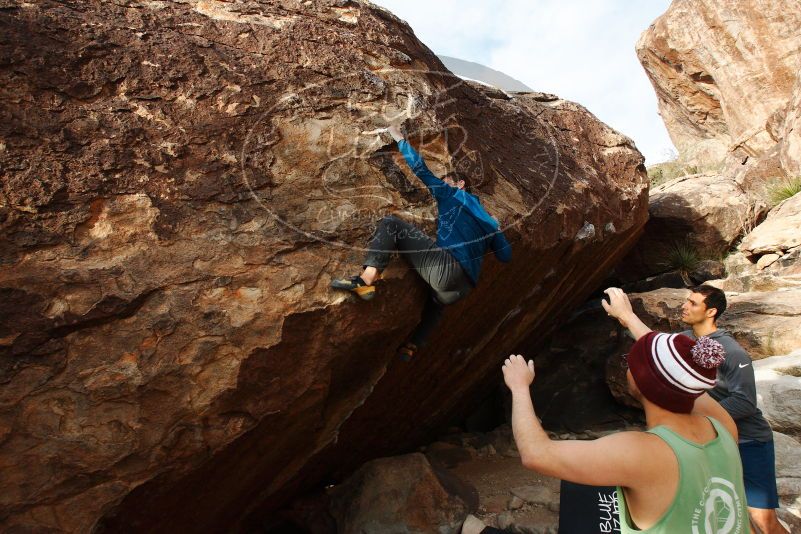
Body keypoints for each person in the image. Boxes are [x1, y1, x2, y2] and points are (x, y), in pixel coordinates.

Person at [465, 287, 749, 534]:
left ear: (642, 381)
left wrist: (519, 387)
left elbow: (536, 454)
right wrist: (627, 318)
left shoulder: (645, 453)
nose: (627, 366)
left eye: (630, 362)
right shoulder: (722, 426)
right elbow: (681, 372)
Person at [331, 123, 511, 360]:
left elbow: (421, 169)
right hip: (461, 290)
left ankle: (366, 280)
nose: (442, 182)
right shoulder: (488, 220)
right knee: (435, 300)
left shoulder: (453, 194)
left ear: (459, 184)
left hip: (448, 270)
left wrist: (400, 139)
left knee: (390, 224)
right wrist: (497, 230)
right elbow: (505, 256)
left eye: (446, 179)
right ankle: (412, 345)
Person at [680, 285, 788, 533]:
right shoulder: (685, 340)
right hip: (714, 442)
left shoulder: (732, 351)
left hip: (749, 442)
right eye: (687, 301)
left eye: (693, 303)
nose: (685, 306)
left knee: (762, 520)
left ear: (711, 312)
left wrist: (698, 415)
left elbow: (745, 402)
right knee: (732, 515)